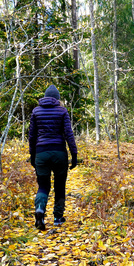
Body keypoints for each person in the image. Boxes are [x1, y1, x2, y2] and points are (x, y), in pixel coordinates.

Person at [29, 85, 78, 230]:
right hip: (59, 153)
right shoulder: (62, 110)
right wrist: (74, 155)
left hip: (41, 153)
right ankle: (57, 217)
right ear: (57, 98)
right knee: (59, 185)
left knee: (43, 185)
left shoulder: (36, 111)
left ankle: (40, 210)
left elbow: (32, 137)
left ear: (45, 97)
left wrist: (33, 156)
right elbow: (69, 134)